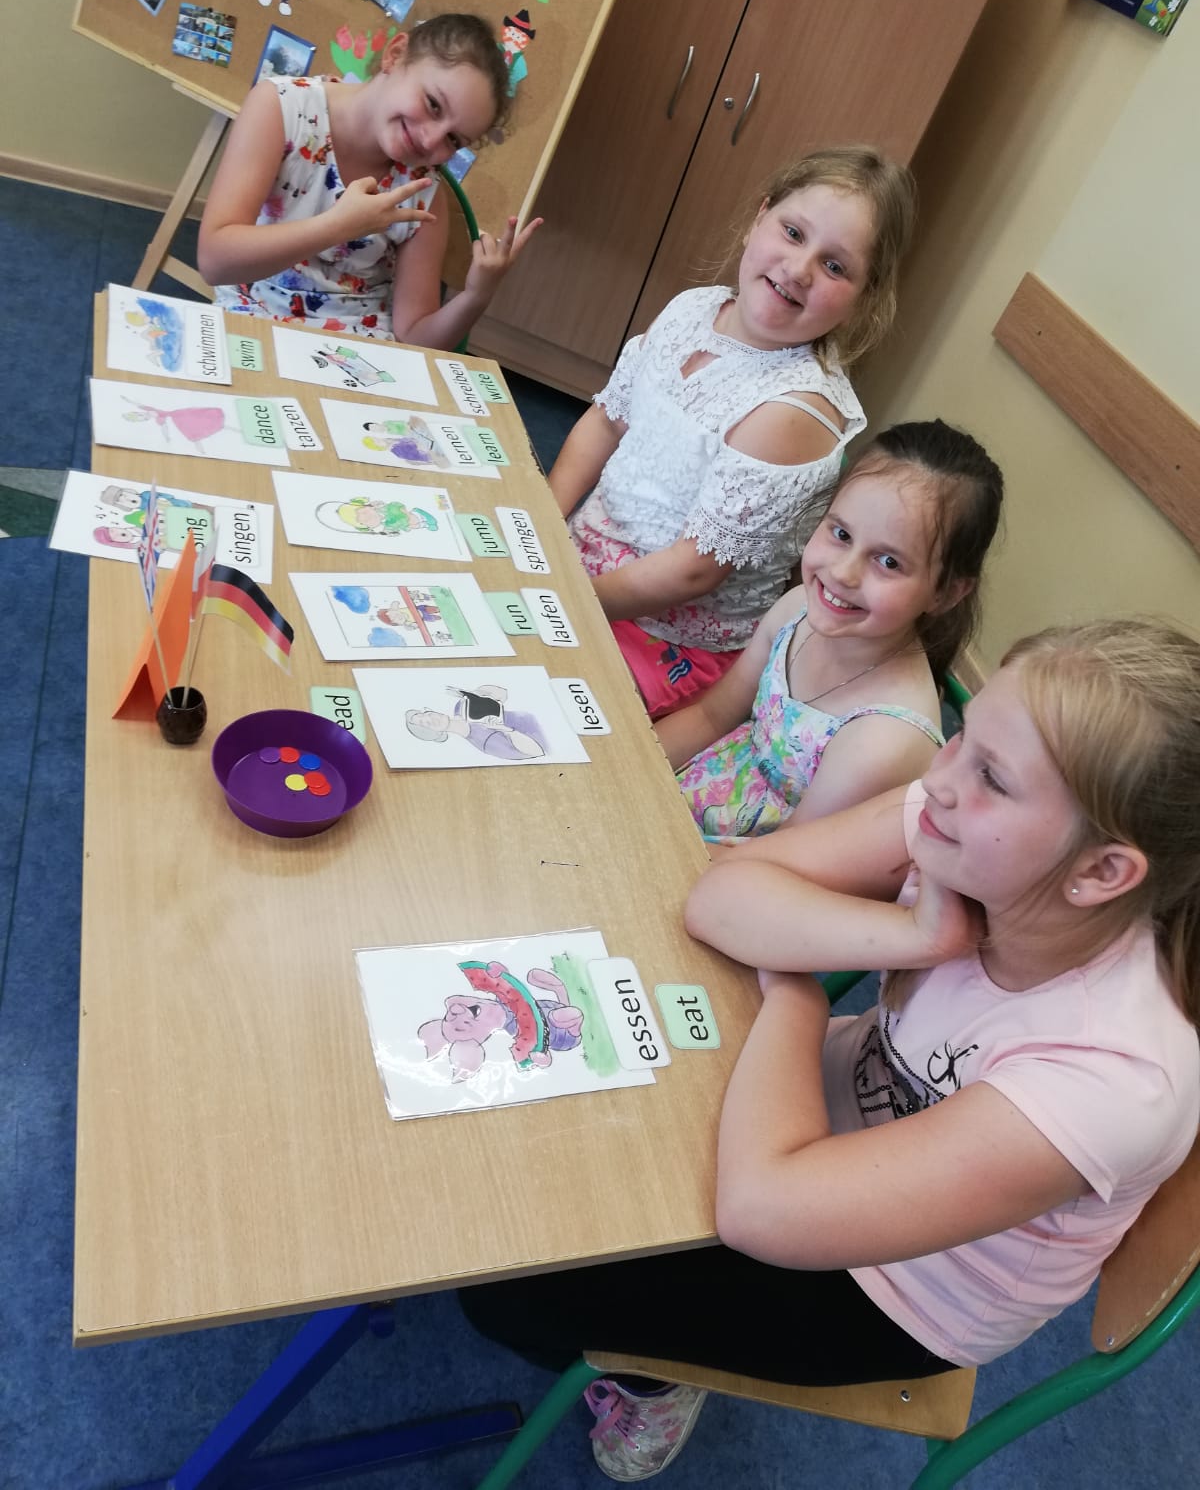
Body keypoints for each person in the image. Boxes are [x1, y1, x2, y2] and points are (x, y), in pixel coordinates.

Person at [460, 618, 1200, 1481]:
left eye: (992, 776)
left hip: (893, 1290)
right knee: (535, 1145)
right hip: (817, 1109)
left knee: (509, 1282)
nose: (939, 777)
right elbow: (723, 891)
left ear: (1103, 872)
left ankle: (653, 1380)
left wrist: (796, 992)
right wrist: (915, 935)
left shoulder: (1115, 1077)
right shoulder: (967, 822)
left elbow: (761, 1206)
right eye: (962, 735)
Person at [549, 146, 917, 718]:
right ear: (759, 218)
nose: (799, 269)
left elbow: (693, 568)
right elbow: (607, 420)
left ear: (862, 300)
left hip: (665, 633)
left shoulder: (794, 410)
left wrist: (561, 599)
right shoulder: (693, 310)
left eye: (834, 266)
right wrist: (540, 527)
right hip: (585, 561)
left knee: (531, 699)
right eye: (793, 233)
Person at [659, 420, 1003, 837]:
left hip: (746, 859)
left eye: (889, 562)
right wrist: (626, 765)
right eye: (841, 534)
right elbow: (709, 717)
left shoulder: (887, 737)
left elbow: (782, 858)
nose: (843, 573)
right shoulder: (798, 609)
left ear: (946, 594)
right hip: (692, 796)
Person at [197, 13, 542, 343]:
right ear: (396, 55)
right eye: (433, 105)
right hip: (254, 318)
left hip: (360, 346)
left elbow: (414, 336)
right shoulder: (281, 107)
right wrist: (337, 226)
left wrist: (476, 296)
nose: (430, 140)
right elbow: (215, 262)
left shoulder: (422, 191)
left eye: (453, 140)